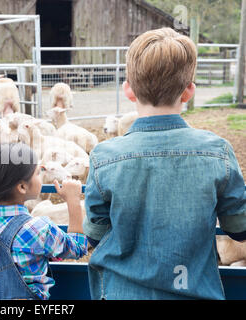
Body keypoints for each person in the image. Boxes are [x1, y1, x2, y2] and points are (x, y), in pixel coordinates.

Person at [83, 28, 246, 300]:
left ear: (129, 90)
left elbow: (96, 234)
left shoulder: (105, 157)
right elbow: (238, 228)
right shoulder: (217, 152)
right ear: (189, 91)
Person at [0, 143, 88, 300]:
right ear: (22, 186)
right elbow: (78, 248)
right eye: (37, 173)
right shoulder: (39, 229)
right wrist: (73, 200)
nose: (41, 173)